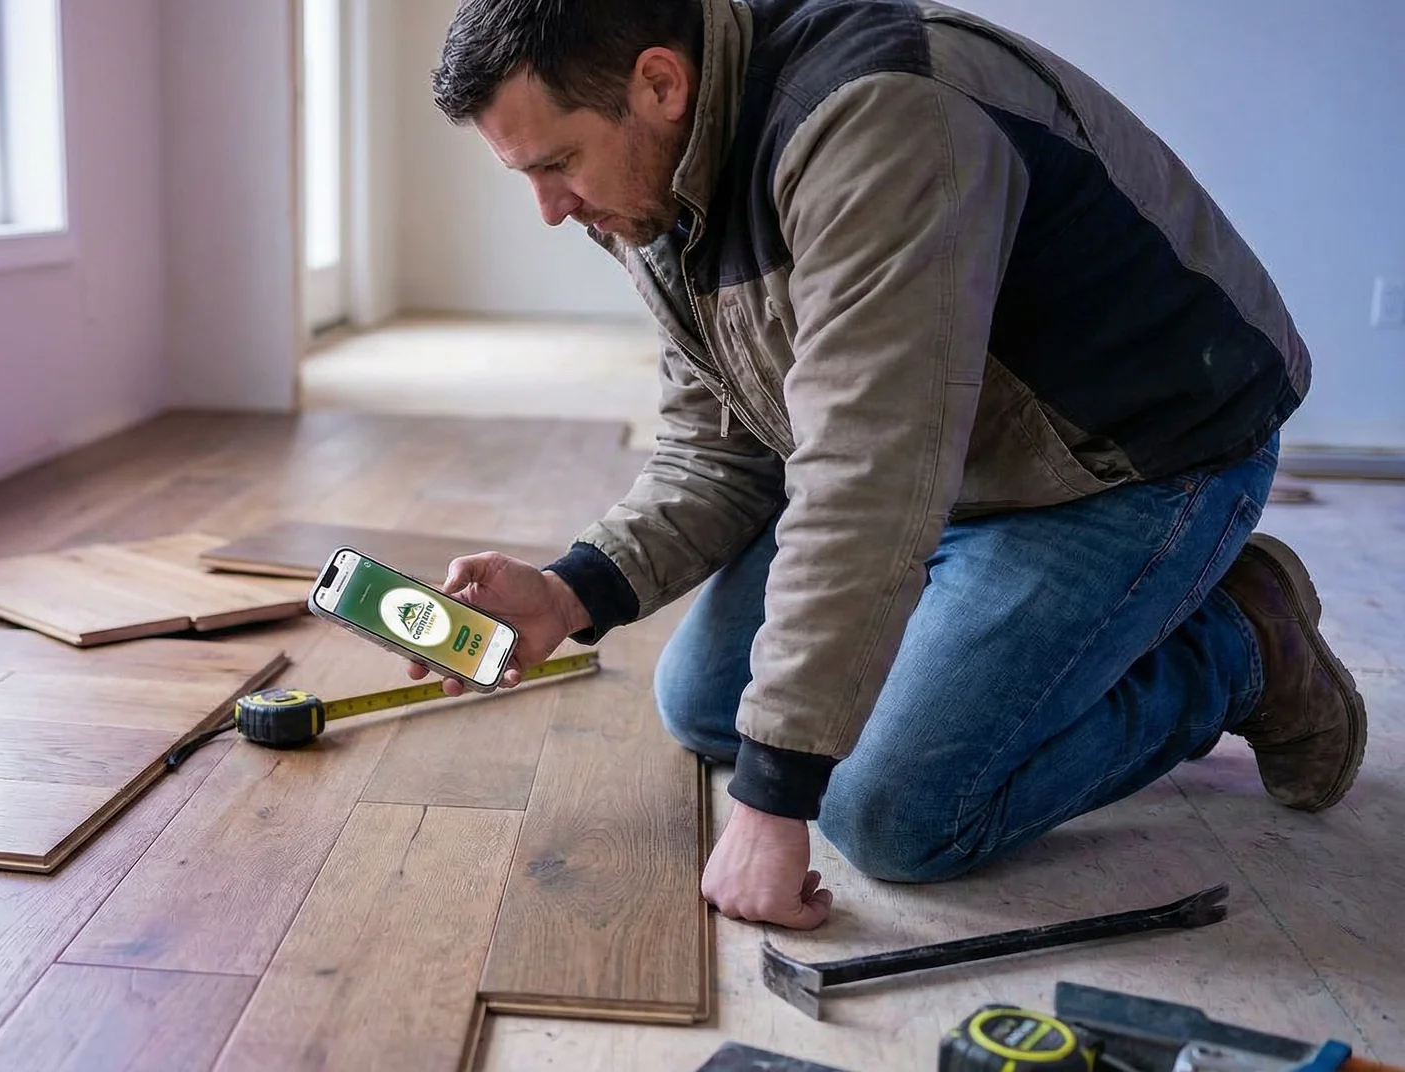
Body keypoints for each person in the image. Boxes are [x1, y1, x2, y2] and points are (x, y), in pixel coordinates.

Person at [404, 0, 1367, 931]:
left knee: (892, 814)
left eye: (558, 163)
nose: (548, 209)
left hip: (1126, 462)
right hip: (949, 460)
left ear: (658, 81)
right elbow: (722, 448)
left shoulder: (878, 117)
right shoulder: (655, 192)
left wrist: (775, 804)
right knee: (704, 706)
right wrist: (569, 594)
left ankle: (1238, 643)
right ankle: (1033, 628)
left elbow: (871, 474)